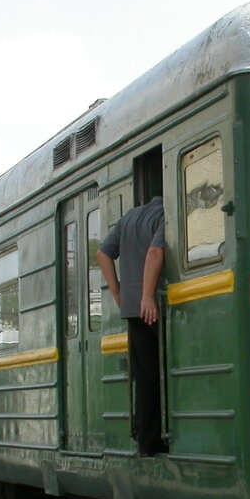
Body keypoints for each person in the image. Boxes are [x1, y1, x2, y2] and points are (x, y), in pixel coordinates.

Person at [97, 194, 166, 456]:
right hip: (154, 307)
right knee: (163, 372)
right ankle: (164, 436)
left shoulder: (128, 218)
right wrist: (148, 296)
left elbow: (103, 253)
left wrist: (117, 291)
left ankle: (147, 444)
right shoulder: (164, 215)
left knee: (145, 377)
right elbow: (155, 252)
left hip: (132, 308)